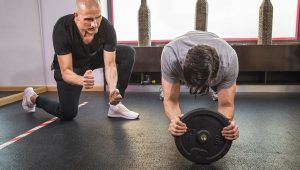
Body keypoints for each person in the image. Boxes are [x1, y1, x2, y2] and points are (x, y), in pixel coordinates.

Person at [22, 0, 139, 120]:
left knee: (128, 53)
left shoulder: (106, 27)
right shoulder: (63, 28)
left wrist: (113, 90)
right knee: (67, 114)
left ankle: (115, 106)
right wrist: (81, 80)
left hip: (92, 58)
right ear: (76, 16)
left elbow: (110, 65)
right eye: (88, 19)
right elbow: (66, 71)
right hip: (72, 67)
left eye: (97, 17)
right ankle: (32, 97)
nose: (94, 24)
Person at [161, 31, 239, 140]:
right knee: (167, 93)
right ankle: (167, 85)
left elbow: (226, 105)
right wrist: (176, 122)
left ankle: (216, 89)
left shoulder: (229, 60)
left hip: (218, 74)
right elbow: (171, 101)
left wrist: (225, 125)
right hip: (178, 67)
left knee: (222, 93)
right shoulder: (171, 55)